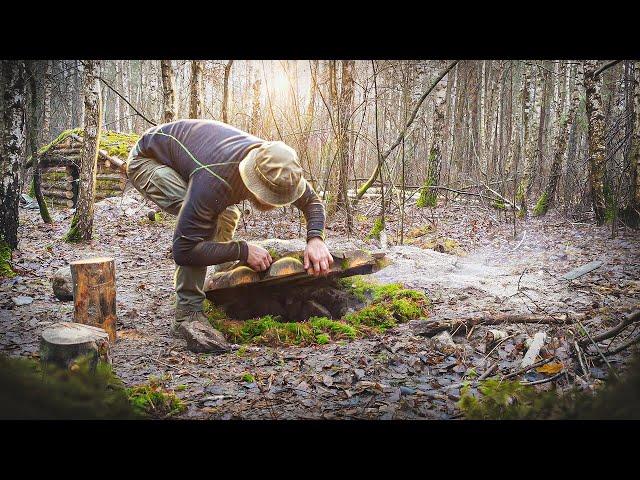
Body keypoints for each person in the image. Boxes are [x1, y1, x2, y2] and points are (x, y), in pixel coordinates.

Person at [126, 119, 333, 353]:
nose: (273, 202)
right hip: (149, 160)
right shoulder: (215, 179)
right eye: (270, 196)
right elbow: (185, 250)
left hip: (193, 160)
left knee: (225, 212)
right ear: (254, 178)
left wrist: (315, 238)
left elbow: (313, 202)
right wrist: (242, 250)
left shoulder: (278, 166)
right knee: (207, 225)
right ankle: (187, 313)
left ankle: (222, 283)